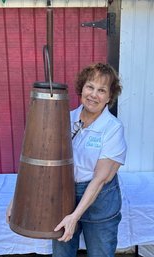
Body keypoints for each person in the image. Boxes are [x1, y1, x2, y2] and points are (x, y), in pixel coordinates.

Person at [52, 62, 127, 257]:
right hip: (65, 195)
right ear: (82, 88)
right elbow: (45, 163)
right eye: (90, 87)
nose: (94, 94)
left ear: (110, 96)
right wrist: (15, 201)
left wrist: (74, 216)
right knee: (62, 253)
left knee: (100, 253)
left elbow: (100, 179)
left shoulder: (112, 128)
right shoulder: (65, 118)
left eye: (101, 90)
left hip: (100, 199)